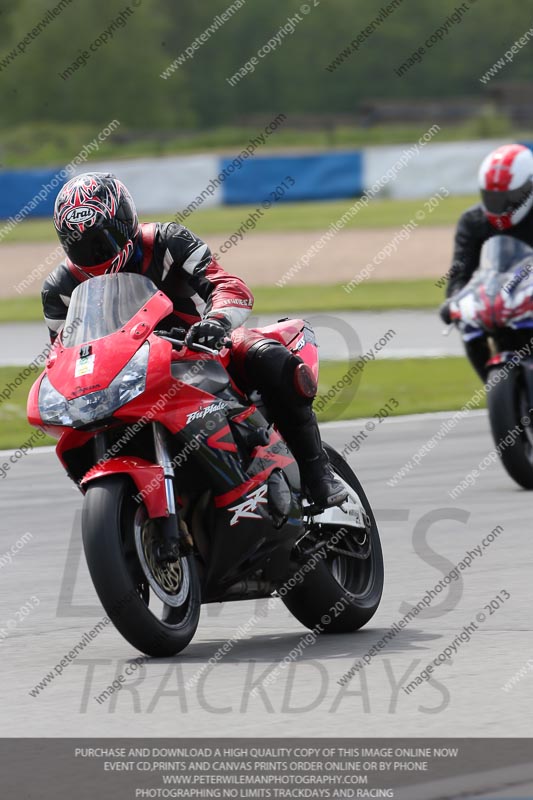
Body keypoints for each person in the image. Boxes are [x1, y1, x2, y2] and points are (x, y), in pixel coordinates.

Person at [43, 172, 347, 509]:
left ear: (125, 222)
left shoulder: (167, 241)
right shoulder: (59, 289)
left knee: (268, 357)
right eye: (79, 244)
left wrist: (216, 321)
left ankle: (318, 473)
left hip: (202, 349)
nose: (93, 253)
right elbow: (65, 353)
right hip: (127, 374)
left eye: (103, 240)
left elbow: (227, 285)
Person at [440, 143, 533, 381]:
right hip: (499, 305)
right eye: (492, 197)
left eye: (509, 196)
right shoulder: (473, 222)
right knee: (468, 326)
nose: (500, 204)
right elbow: (459, 274)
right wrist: (454, 301)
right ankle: (494, 385)